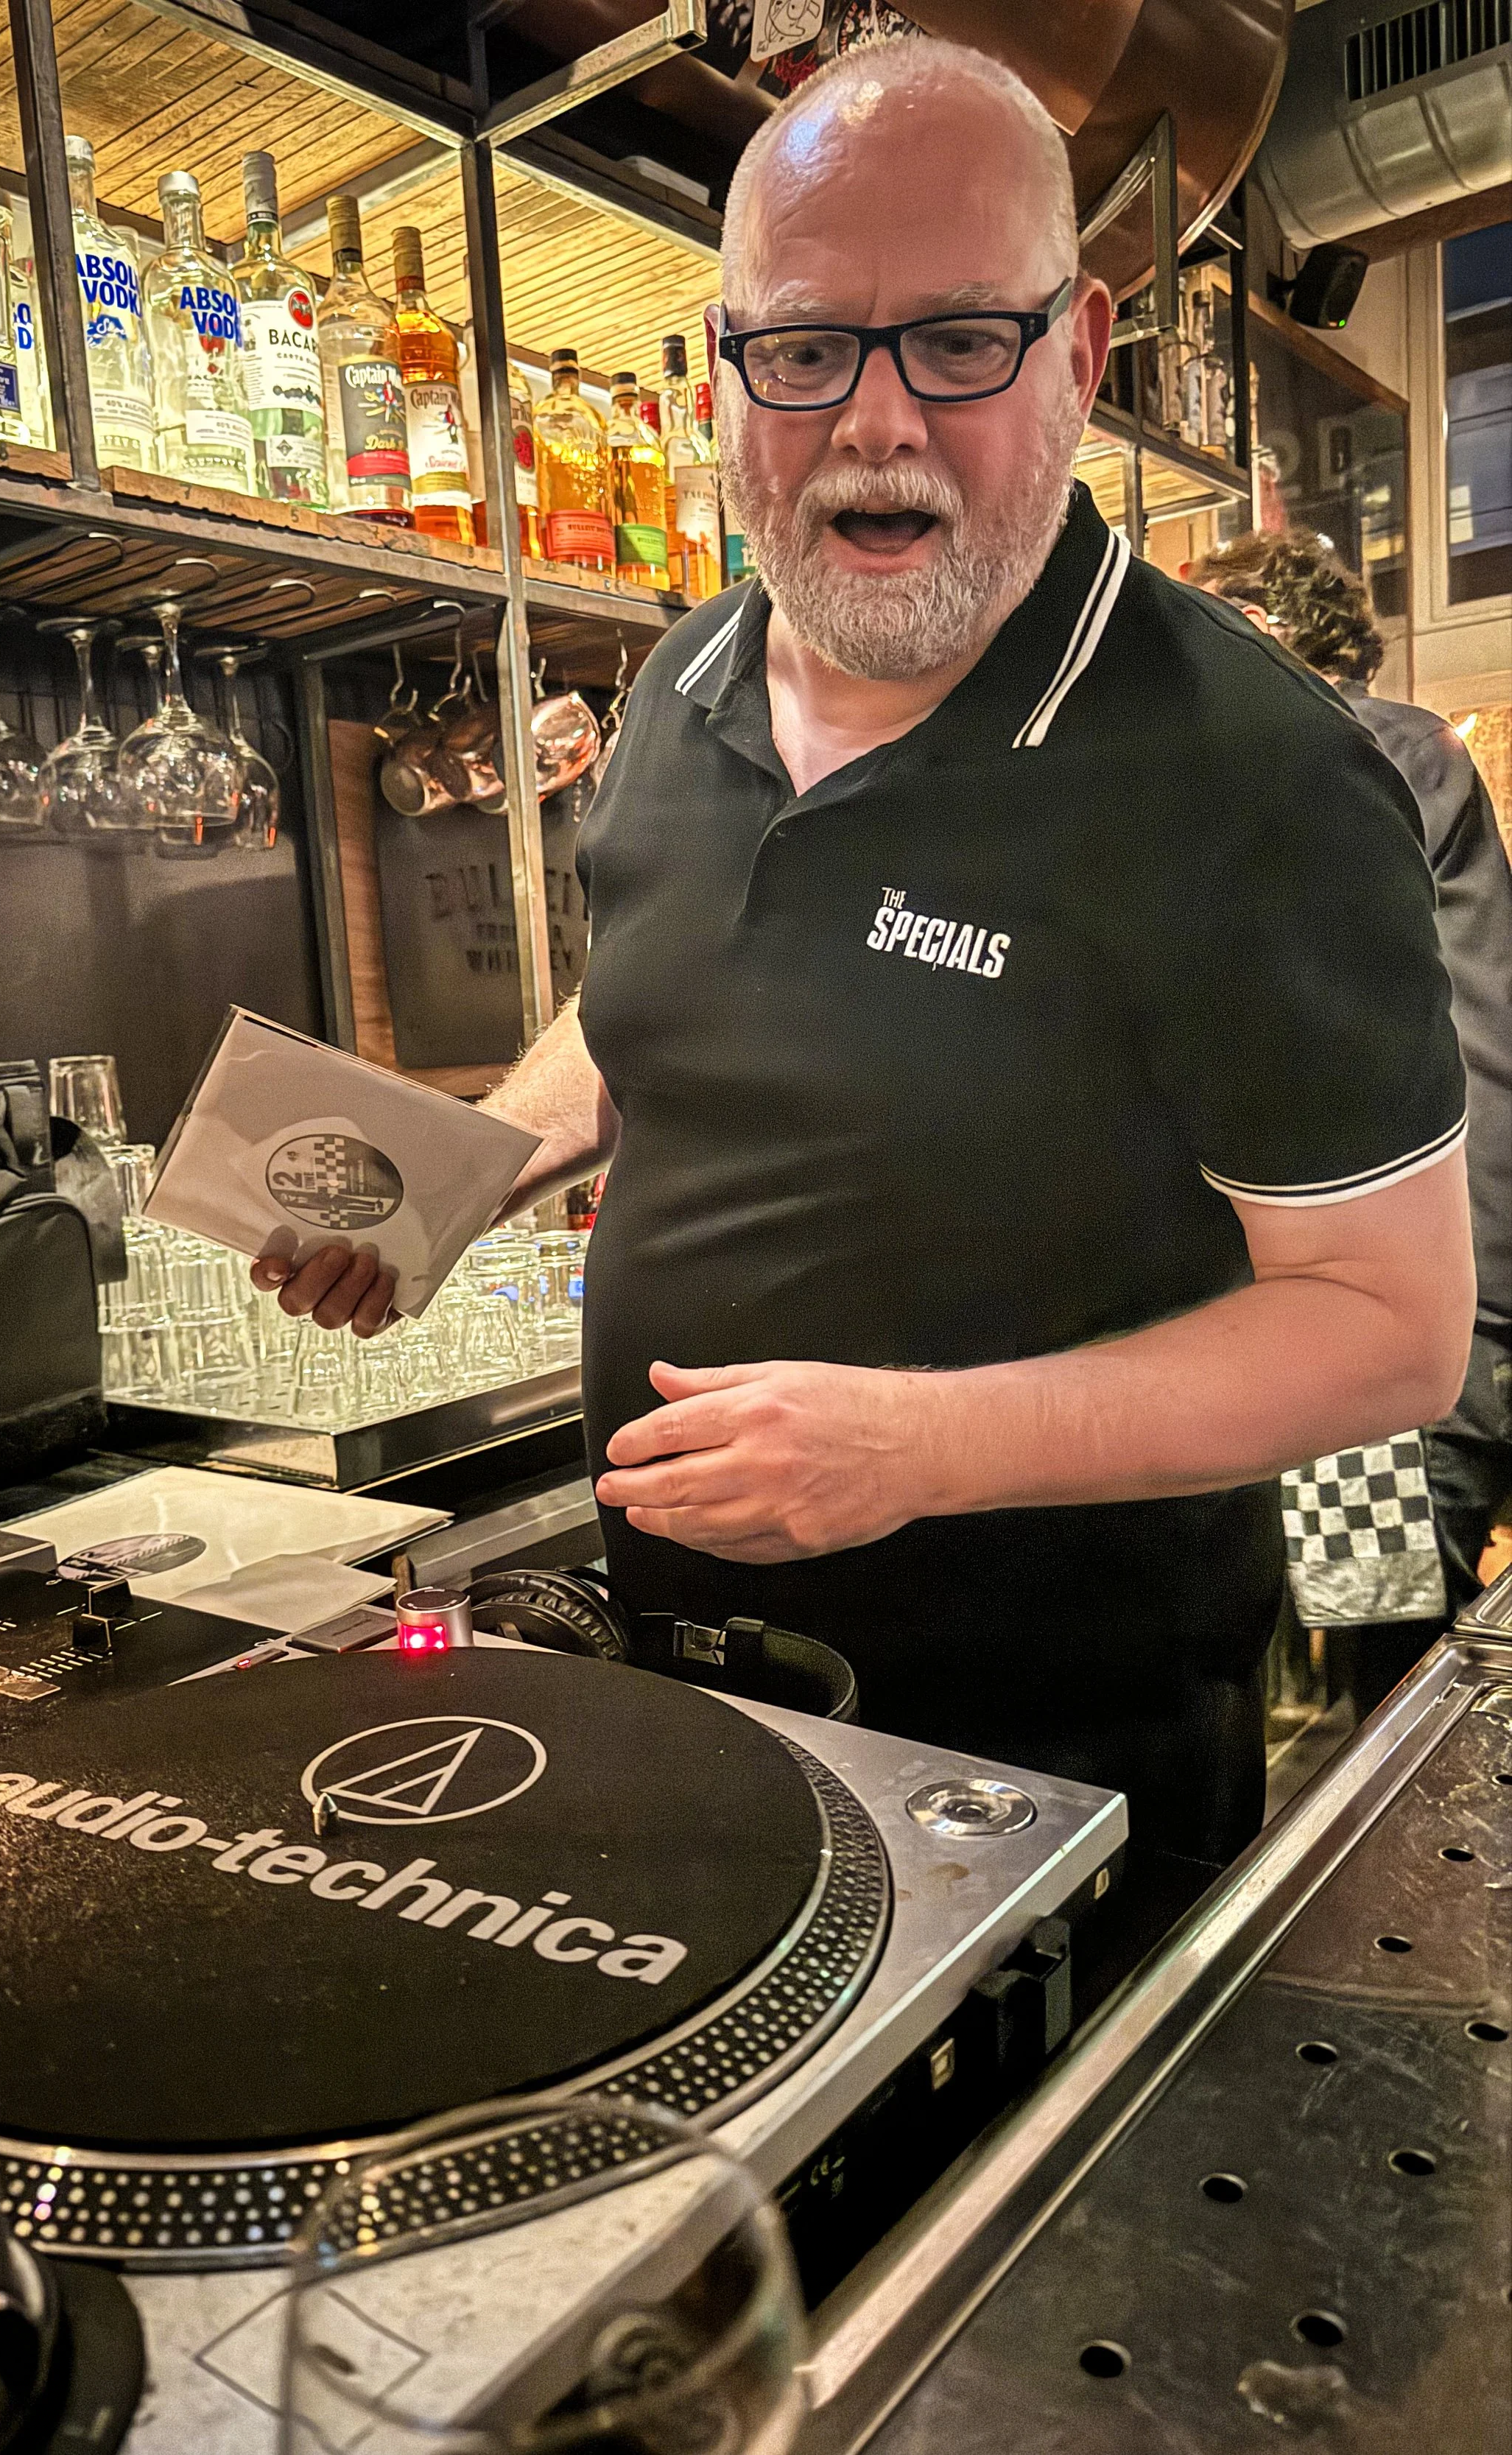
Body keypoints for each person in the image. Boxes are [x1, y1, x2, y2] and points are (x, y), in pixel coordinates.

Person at [254, 38, 1472, 1891]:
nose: (877, 423)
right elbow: (658, 985)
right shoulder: (679, 683)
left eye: (958, 342)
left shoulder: (1255, 784)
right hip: (679, 1680)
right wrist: (481, 1162)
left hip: (1047, 1759)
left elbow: (1389, 1328)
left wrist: (919, 1445)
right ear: (728, 368)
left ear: (1075, 352)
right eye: (809, 347)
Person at [1194, 528, 1512, 1708]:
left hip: (1400, 1313)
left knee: (1377, 1698)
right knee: (1367, 1654)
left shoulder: (1343, 747)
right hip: (1440, 1304)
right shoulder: (1409, 759)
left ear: (1267, 639)